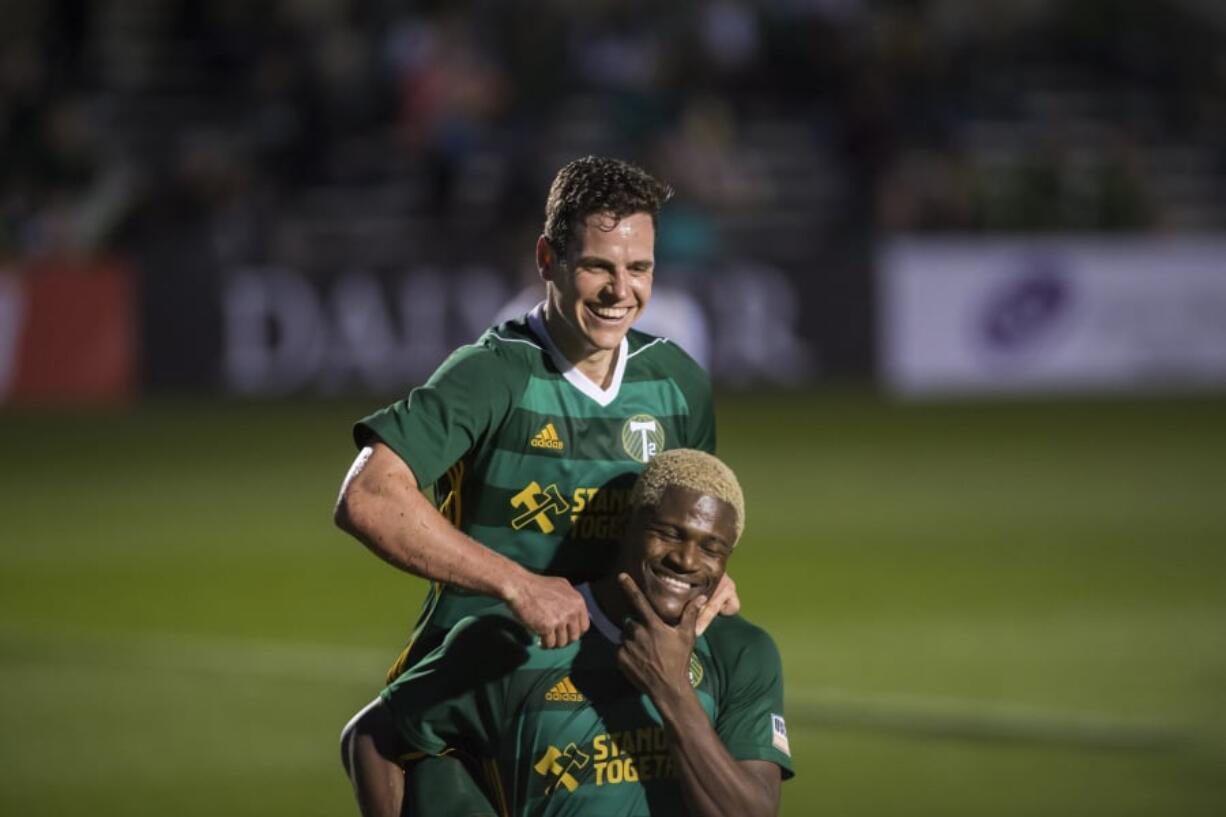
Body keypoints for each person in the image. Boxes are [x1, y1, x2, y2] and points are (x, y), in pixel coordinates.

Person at [334, 156, 739, 809]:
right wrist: (518, 584)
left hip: (599, 713)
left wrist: (704, 580)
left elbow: (687, 528)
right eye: (598, 266)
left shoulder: (678, 385)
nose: (620, 290)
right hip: (468, 715)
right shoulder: (492, 374)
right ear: (548, 258)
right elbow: (368, 495)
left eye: (639, 269)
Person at [344, 449, 794, 817]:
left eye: (711, 548)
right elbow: (372, 733)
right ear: (627, 524)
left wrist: (672, 688)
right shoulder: (513, 642)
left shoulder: (741, 653)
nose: (687, 560)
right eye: (669, 534)